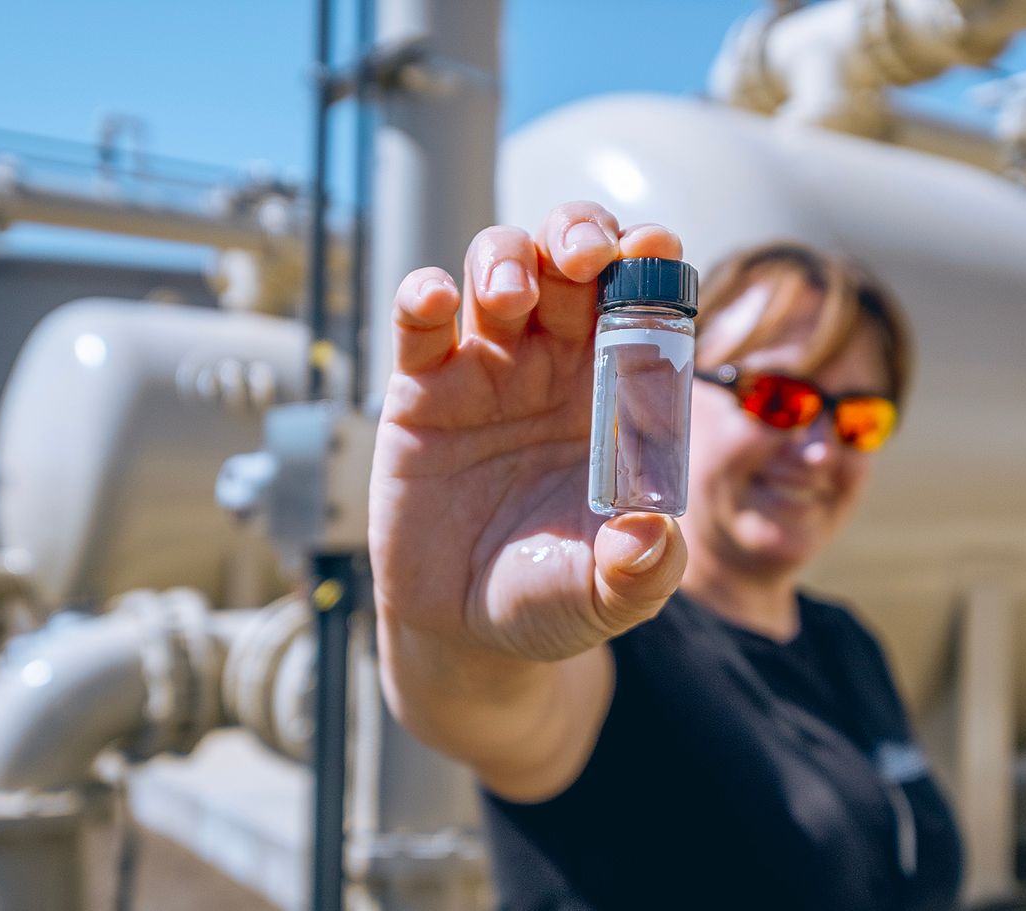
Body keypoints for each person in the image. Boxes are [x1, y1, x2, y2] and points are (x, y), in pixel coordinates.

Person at [369, 201, 962, 910]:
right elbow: (496, 702)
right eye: (778, 399)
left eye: (860, 420)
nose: (817, 451)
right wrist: (460, 638)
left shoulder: (846, 641)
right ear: (665, 386)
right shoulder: (607, 636)